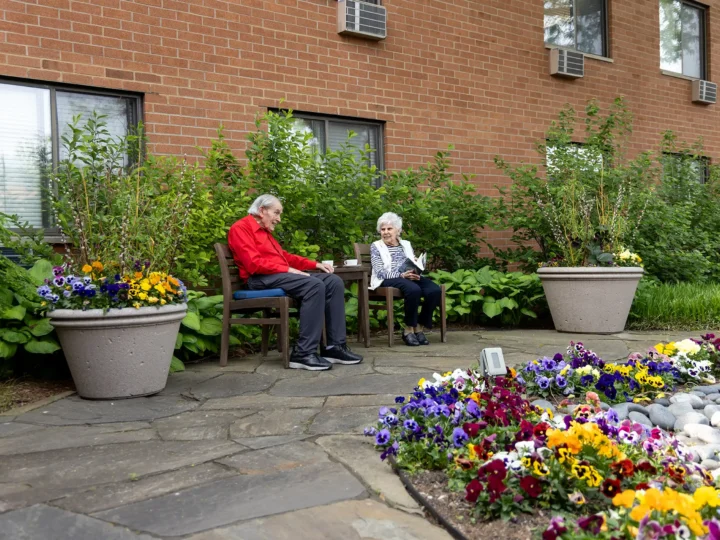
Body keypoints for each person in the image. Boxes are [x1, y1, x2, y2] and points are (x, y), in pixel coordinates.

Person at [228, 194, 363, 371]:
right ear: (262, 211)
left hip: (275, 276)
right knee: (314, 286)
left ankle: (334, 347)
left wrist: (314, 264)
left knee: (333, 281)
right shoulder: (240, 228)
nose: (279, 218)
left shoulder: (266, 233)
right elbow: (253, 264)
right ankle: (303, 353)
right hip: (258, 279)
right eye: (276, 213)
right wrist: (288, 270)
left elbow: (285, 257)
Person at [370, 212, 442, 346]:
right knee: (413, 289)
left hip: (409, 276)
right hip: (388, 278)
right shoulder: (376, 246)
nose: (385, 232)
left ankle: (419, 327)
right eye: (383, 229)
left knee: (434, 290)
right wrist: (402, 275)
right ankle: (408, 329)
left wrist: (416, 268)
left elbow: (410, 262)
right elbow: (380, 272)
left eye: (389, 229)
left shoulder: (406, 244)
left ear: (398, 230)